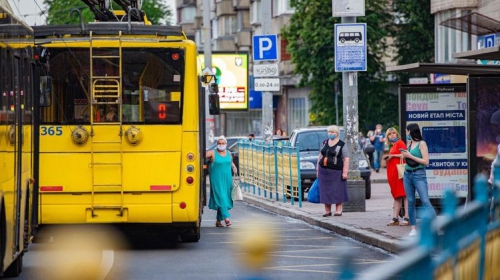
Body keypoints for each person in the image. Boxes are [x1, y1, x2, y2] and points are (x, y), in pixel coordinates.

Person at [401, 123, 437, 237]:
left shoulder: (422, 144)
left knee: (425, 200)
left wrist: (410, 156)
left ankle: (437, 226)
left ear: (411, 131)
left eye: (407, 131)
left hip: (419, 174)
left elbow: (426, 161)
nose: (406, 133)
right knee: (410, 201)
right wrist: (404, 155)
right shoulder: (410, 143)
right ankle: (413, 228)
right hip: (407, 174)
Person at [316, 125, 350, 216]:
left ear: (337, 133)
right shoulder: (325, 142)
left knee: (337, 190)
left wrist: (345, 172)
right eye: (329, 132)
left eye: (332, 132)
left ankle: (338, 209)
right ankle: (327, 210)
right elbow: (320, 156)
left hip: (336, 171)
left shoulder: (341, 144)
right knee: (325, 190)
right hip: (324, 170)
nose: (330, 134)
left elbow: (346, 158)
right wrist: (317, 169)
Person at [206, 136, 238, 227]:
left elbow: (230, 161)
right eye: (219, 143)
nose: (221, 145)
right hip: (216, 179)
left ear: (226, 144)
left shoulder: (228, 153)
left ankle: (218, 221)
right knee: (220, 197)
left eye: (222, 143)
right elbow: (201, 155)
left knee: (225, 197)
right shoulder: (212, 152)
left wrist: (234, 167)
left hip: (227, 178)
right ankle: (226, 219)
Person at [384, 127, 410, 226]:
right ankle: (395, 218)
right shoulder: (393, 146)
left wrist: (393, 156)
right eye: (390, 134)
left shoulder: (400, 143)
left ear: (397, 134)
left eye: (394, 133)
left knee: (404, 195)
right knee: (397, 196)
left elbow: (405, 155)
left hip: (400, 173)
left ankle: (407, 217)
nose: (392, 135)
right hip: (394, 174)